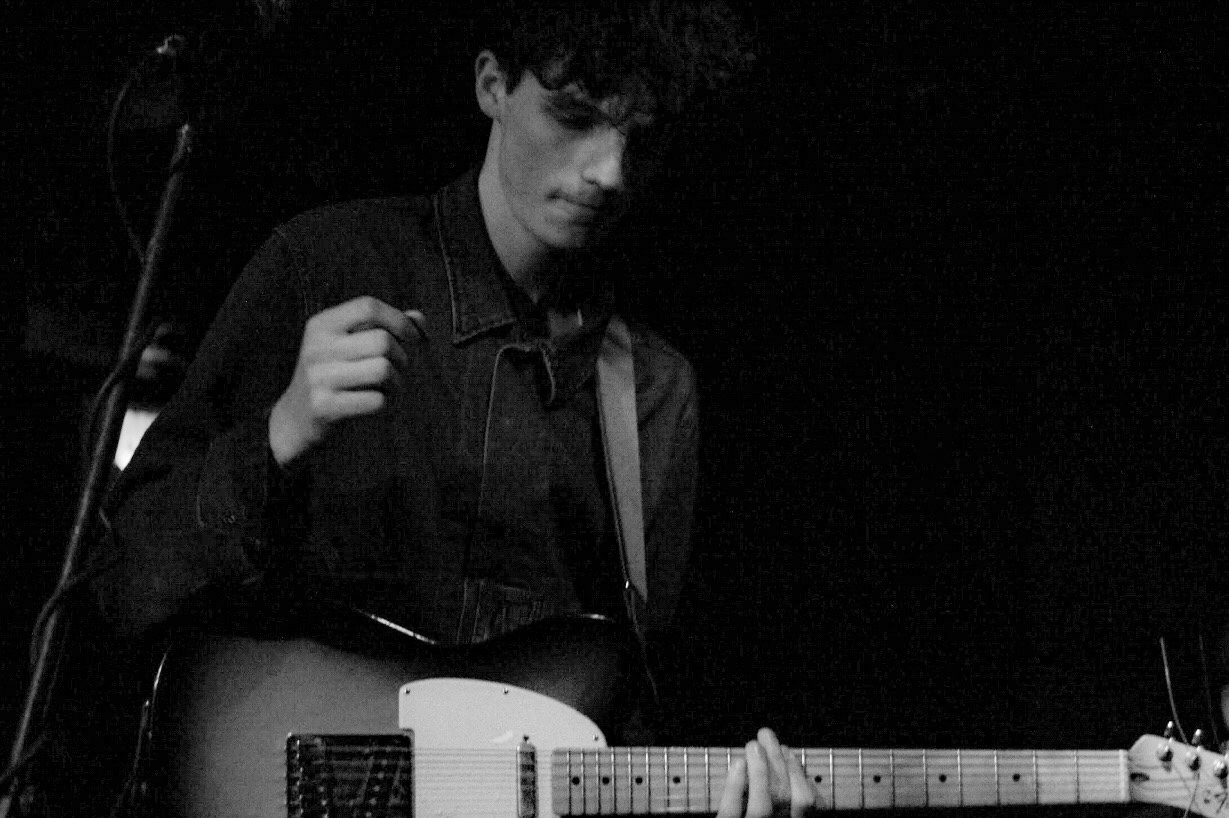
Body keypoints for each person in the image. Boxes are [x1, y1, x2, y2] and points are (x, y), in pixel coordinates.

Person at [86, 1, 821, 815]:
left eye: (640, 139)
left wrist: (732, 799)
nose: (610, 172)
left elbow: (622, 712)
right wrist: (279, 434)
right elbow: (121, 583)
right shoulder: (325, 265)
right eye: (574, 117)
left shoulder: (653, 389)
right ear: (492, 85)